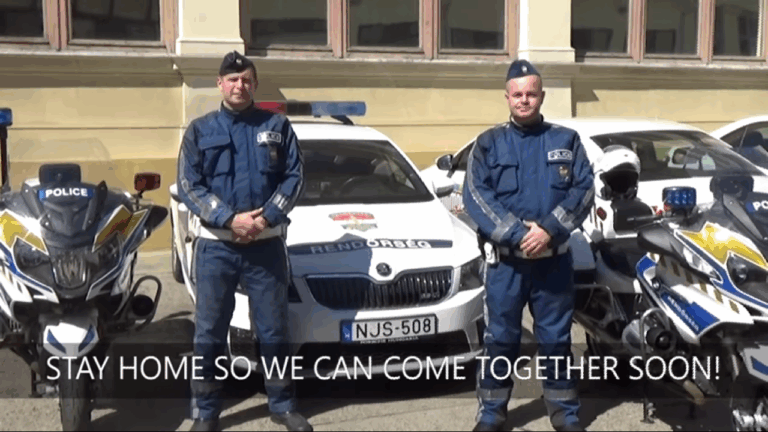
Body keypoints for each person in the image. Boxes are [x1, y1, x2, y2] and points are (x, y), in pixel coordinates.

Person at [176, 50, 312, 432]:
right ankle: (205, 413)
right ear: (220, 84)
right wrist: (229, 218)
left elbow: (294, 177)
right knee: (209, 333)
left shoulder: (277, 125)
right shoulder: (200, 130)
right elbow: (189, 184)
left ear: (255, 84)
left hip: (265, 247)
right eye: (233, 79)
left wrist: (265, 217)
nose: (240, 85)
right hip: (216, 248)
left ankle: (282, 405)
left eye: (247, 79)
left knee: (273, 330)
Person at [462, 59, 595, 432]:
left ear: (542, 96)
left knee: (556, 340)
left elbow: (584, 190)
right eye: (518, 94)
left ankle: (565, 413)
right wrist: (518, 234)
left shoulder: (566, 140)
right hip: (506, 265)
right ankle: (492, 413)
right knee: (501, 339)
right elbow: (475, 195)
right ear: (507, 97)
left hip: (553, 263)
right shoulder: (488, 144)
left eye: (531, 94)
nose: (524, 100)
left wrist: (549, 230)